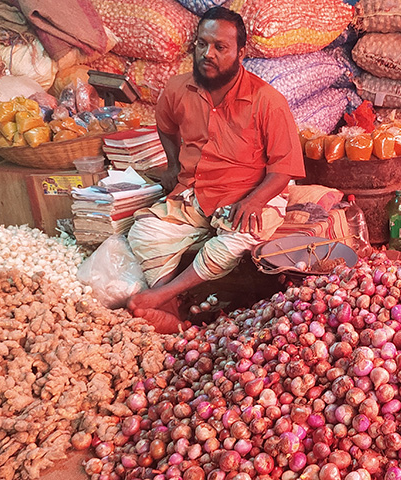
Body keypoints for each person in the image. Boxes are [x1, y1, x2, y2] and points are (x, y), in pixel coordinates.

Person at [126, 6, 305, 333]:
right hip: (196, 194)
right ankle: (173, 314)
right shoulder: (178, 88)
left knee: (236, 241)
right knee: (145, 232)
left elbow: (283, 169)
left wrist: (254, 201)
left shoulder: (268, 100)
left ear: (241, 52)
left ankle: (162, 295)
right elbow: (166, 127)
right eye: (201, 44)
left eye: (220, 47)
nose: (208, 54)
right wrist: (172, 164)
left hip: (252, 194)